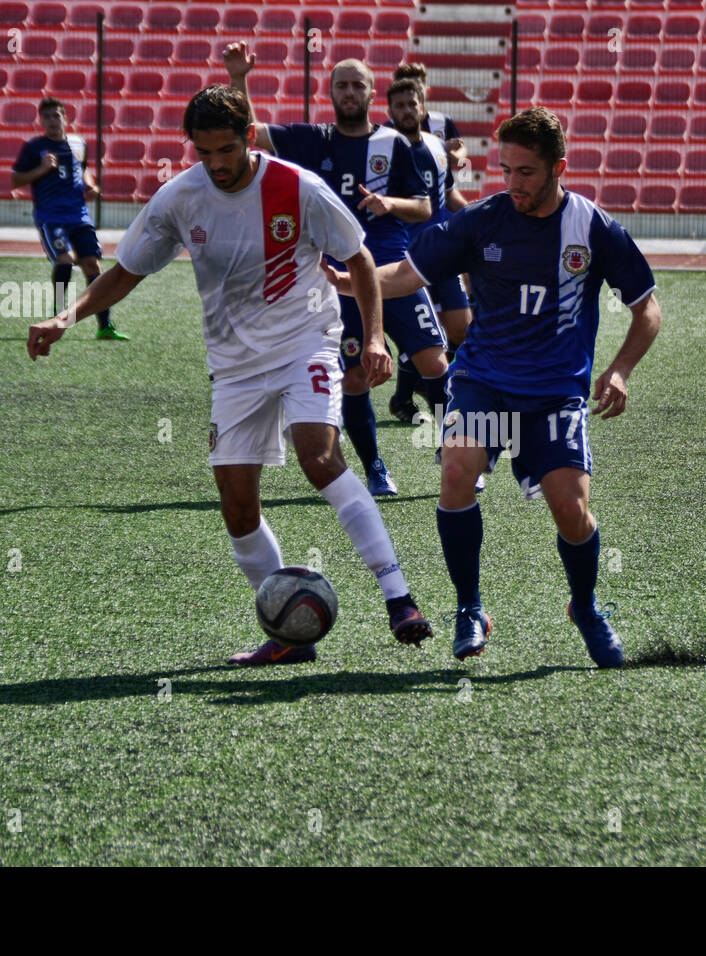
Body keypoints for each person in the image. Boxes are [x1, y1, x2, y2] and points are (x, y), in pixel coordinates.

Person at [25, 85, 434, 666]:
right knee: (238, 506)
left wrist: (371, 337)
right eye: (203, 152)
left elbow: (360, 258)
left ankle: (400, 598)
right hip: (235, 367)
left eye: (225, 150)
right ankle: (292, 635)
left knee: (319, 457)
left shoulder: (299, 187)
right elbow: (125, 272)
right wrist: (69, 314)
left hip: (304, 344)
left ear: (248, 137)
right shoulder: (179, 199)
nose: (215, 164)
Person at [326, 107, 662, 668]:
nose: (513, 183)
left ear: (559, 167)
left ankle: (585, 606)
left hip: (555, 392)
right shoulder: (479, 221)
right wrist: (348, 280)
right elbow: (408, 274)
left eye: (526, 172)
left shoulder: (593, 227)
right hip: (484, 380)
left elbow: (646, 307)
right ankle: (470, 607)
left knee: (571, 510)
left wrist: (621, 368)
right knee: (456, 472)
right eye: (505, 169)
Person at [223, 43, 451, 498]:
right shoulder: (313, 139)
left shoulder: (396, 144)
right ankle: (375, 467)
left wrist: (391, 203)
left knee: (435, 363)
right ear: (330, 92)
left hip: (391, 271)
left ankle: (457, 449)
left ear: (372, 94)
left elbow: (425, 207)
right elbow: (251, 132)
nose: (349, 92)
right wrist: (238, 78)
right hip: (335, 277)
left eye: (358, 85)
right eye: (341, 85)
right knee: (354, 377)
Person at [383, 77, 472, 427]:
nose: (407, 110)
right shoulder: (382, 148)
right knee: (422, 335)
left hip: (441, 251)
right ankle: (415, 401)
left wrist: (475, 220)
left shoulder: (436, 147)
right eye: (400, 105)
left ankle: (420, 394)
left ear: (424, 107)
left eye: (412, 104)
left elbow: (448, 196)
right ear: (390, 110)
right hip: (403, 257)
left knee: (460, 332)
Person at [11, 97, 128, 341]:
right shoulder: (34, 148)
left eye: (57, 115)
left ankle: (105, 326)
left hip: (79, 216)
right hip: (51, 218)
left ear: (66, 118)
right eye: (47, 117)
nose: (53, 120)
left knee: (93, 266)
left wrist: (90, 184)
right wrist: (42, 170)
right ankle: (57, 317)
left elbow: (82, 168)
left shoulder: (78, 143)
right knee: (65, 261)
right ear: (41, 120)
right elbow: (15, 181)